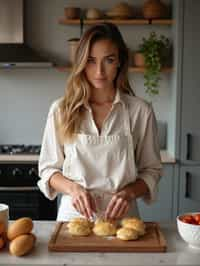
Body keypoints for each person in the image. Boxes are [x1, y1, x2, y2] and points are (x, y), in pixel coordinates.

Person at [38, 22, 162, 221]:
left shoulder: (140, 111)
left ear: (120, 61)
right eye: (91, 61)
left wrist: (128, 193)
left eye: (109, 60)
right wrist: (73, 189)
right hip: (73, 218)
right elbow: (48, 170)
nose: (99, 72)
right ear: (81, 63)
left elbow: (152, 170)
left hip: (124, 219)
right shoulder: (61, 110)